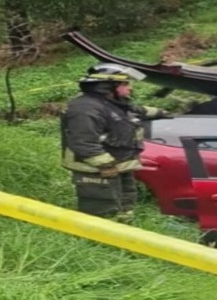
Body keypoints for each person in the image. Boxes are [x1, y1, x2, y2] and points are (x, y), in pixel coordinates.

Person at [60, 63, 172, 223]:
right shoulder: (84, 109)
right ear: (108, 86)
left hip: (119, 164)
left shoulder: (114, 102)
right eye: (125, 83)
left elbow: (137, 110)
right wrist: (106, 165)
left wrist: (164, 113)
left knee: (125, 202)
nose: (130, 88)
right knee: (102, 208)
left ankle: (124, 231)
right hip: (95, 168)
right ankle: (98, 242)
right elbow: (83, 142)